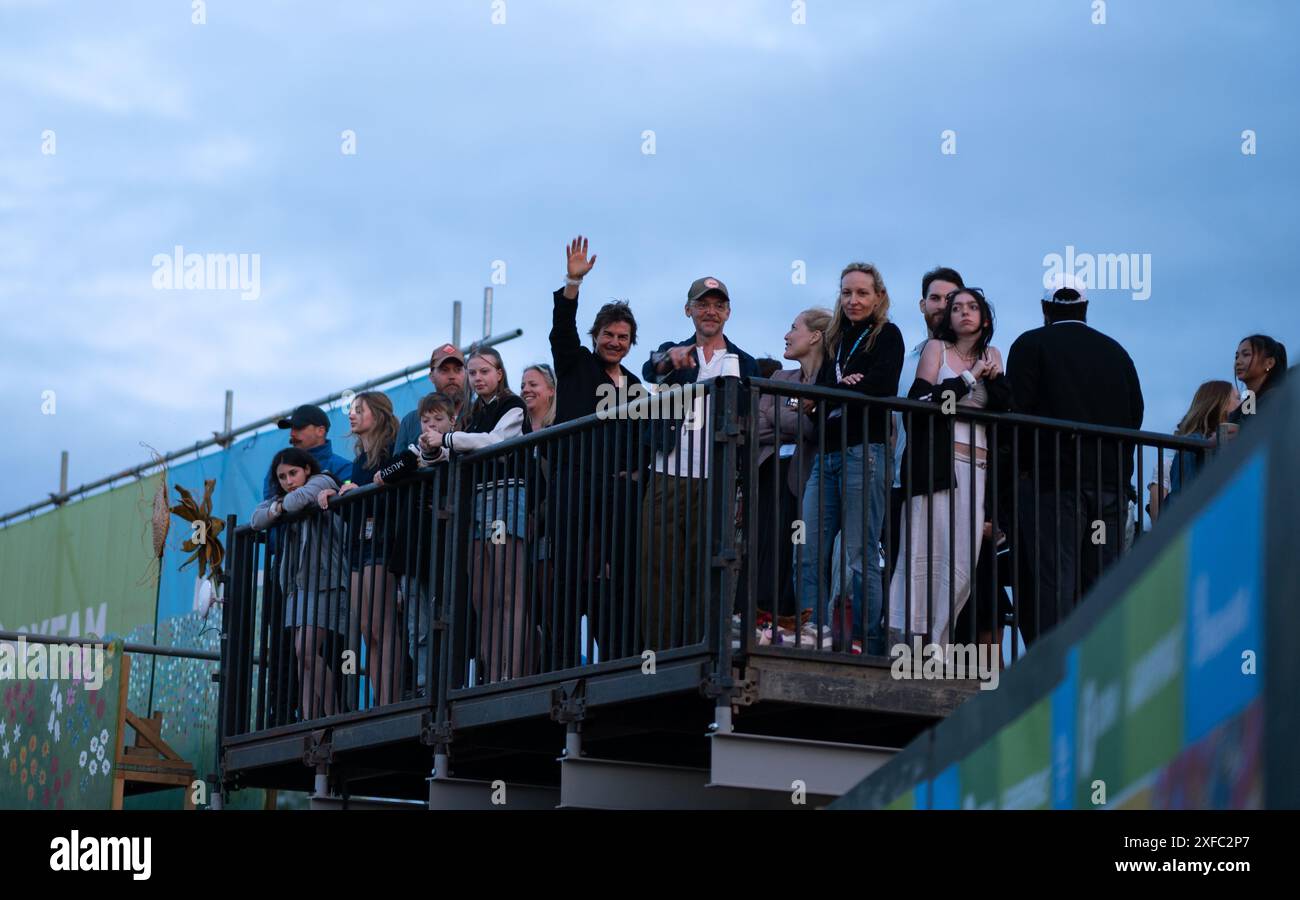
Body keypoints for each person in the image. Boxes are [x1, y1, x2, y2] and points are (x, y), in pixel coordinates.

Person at [1007, 273, 1144, 646]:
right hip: (1110, 484)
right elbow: (1135, 413)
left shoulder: (1030, 344)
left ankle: (1055, 672)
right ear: (1085, 308)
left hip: (1053, 482)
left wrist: (1019, 472)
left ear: (1045, 308)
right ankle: (1101, 667)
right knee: (1100, 580)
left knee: (1055, 578)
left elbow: (1015, 411)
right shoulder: (1116, 352)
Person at [640, 275, 758, 651]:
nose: (711, 311)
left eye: (718, 304)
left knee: (706, 571)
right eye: (703, 304)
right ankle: (660, 658)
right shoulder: (673, 351)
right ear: (688, 310)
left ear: (728, 312)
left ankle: (698, 654)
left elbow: (753, 422)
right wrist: (668, 360)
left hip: (718, 478)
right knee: (658, 568)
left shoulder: (746, 361)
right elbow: (650, 367)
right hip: (668, 473)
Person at [889, 287, 1010, 644]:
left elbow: (1005, 408)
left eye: (973, 307)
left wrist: (994, 378)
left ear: (984, 318)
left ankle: (940, 640)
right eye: (957, 308)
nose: (964, 313)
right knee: (924, 550)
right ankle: (911, 640)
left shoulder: (994, 354)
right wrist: (971, 376)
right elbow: (923, 400)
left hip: (978, 468)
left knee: (962, 559)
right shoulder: (935, 350)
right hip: (938, 466)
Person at [797, 263, 904, 655]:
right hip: (827, 455)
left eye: (861, 293)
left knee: (857, 554)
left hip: (866, 453)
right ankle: (813, 635)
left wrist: (836, 390)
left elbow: (882, 384)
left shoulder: (888, 335)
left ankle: (864, 641)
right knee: (808, 550)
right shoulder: (837, 340)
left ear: (878, 296)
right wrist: (843, 386)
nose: (853, 300)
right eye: (846, 293)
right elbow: (820, 391)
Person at [549, 237, 644, 665]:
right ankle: (562, 662)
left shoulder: (638, 385)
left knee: (620, 574)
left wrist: (636, 474)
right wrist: (573, 281)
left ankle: (620, 658)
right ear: (596, 335)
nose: (615, 342)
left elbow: (644, 438)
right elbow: (561, 329)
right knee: (568, 572)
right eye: (609, 334)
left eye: (623, 337)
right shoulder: (577, 363)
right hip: (575, 478)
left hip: (620, 488)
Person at [431, 348, 529, 682]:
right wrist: (434, 449)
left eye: (484, 371)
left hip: (506, 497)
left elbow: (495, 441)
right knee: (482, 597)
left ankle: (510, 673)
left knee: (508, 592)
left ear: (500, 373)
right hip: (476, 503)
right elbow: (462, 447)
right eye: (473, 373)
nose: (477, 378)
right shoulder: (472, 415)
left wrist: (446, 438)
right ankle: (490, 673)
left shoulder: (513, 405)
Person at [745, 308, 829, 643]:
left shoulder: (828, 382)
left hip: (805, 476)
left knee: (797, 549)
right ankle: (761, 620)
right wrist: (799, 416)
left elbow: (815, 428)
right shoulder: (780, 376)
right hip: (768, 474)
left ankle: (795, 621)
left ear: (815, 336)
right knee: (766, 547)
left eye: (793, 328)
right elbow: (758, 421)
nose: (786, 334)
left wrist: (788, 417)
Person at [251, 448, 349, 720]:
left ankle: (334, 715)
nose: (288, 480)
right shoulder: (282, 497)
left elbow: (299, 501)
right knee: (302, 660)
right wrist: (278, 507)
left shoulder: (324, 480)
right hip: (297, 585)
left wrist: (279, 509)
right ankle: (310, 721)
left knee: (305, 650)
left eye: (293, 473)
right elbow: (256, 519)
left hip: (326, 580)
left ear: (307, 469)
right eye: (282, 477)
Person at [317, 391, 401, 706]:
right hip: (359, 546)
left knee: (383, 626)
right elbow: (356, 511)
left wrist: (359, 491)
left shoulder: (390, 452)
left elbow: (390, 501)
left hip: (381, 542)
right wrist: (335, 499)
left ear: (377, 415)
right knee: (367, 629)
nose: (351, 415)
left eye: (358, 410)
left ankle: (388, 701)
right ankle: (381, 699)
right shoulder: (358, 461)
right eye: (351, 411)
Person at [887, 267, 964, 589]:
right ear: (922, 305)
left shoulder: (979, 359)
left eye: (951, 299)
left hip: (958, 482)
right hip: (902, 480)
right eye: (934, 298)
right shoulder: (905, 362)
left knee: (953, 581)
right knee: (901, 577)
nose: (942, 305)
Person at [375, 392, 456, 694]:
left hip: (444, 544)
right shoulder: (413, 449)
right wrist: (413, 458)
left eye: (439, 419)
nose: (431, 426)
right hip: (411, 544)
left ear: (452, 421)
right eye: (426, 420)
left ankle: (448, 680)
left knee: (445, 615)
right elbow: (387, 472)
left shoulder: (458, 446)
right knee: (416, 621)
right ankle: (423, 682)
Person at [1148, 380, 1238, 522]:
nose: (1241, 405)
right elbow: (1181, 500)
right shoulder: (1193, 445)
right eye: (1237, 398)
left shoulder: (1231, 444)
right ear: (1222, 404)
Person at [262, 405, 353, 500]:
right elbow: (269, 503)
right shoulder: (279, 468)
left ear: (320, 431)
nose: (292, 434)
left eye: (299, 427)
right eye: (291, 428)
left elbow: (349, 502)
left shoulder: (343, 467)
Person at [394, 343, 469, 450]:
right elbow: (398, 464)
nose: (452, 376)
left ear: (466, 374)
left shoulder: (479, 413)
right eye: (444, 370)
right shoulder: (411, 421)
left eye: (458, 370)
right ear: (431, 376)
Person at [1227, 334, 1288, 425]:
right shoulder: (1248, 404)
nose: (1238, 362)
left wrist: (1240, 434)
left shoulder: (1277, 400)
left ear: (1269, 363)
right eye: (1237, 357)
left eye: (1246, 355)